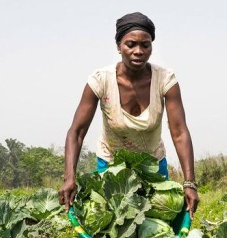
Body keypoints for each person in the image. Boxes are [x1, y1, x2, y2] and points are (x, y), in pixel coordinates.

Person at [58, 12, 199, 218]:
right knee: (112, 223)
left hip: (152, 164)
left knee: (156, 224)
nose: (138, 51)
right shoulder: (100, 80)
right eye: (130, 44)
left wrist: (189, 182)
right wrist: (69, 177)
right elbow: (76, 132)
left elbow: (179, 132)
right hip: (111, 166)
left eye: (145, 45)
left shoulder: (165, 80)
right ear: (118, 46)